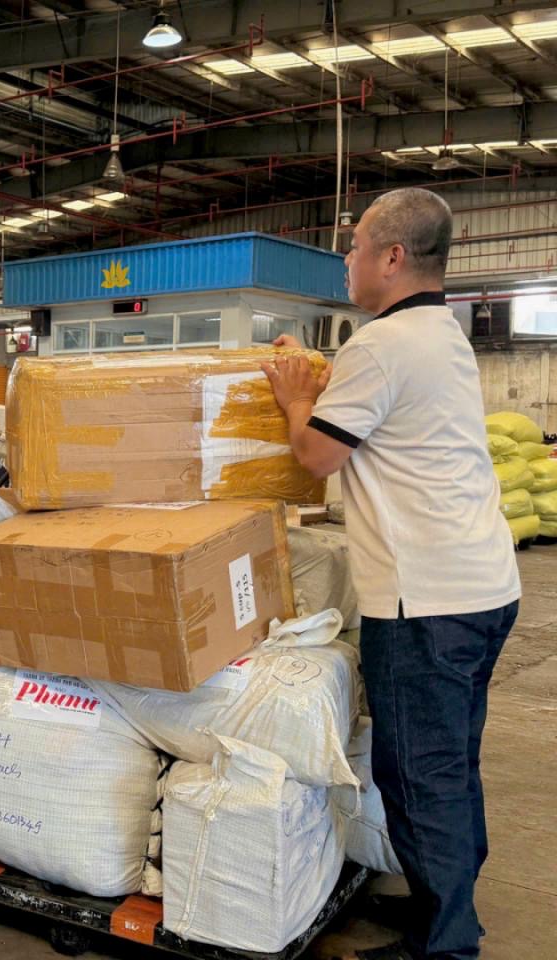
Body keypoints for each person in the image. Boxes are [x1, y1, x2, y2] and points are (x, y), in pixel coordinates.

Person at [261, 188, 520, 960]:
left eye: (355, 246)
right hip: (482, 586)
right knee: (452, 764)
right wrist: (318, 388)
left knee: (418, 774)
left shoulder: (381, 346)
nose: (347, 259)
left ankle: (446, 946)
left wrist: (295, 400)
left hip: (425, 602)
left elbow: (317, 455)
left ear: (393, 257)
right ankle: (448, 908)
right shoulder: (439, 333)